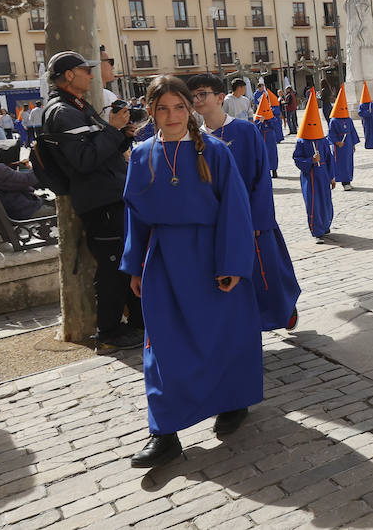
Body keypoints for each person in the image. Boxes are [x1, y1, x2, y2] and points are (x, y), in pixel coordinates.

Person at [121, 75, 262, 469]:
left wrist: (233, 262)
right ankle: (163, 431)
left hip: (212, 257)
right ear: (150, 112)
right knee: (161, 345)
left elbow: (236, 208)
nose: (171, 116)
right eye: (162, 108)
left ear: (190, 109)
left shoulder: (215, 152)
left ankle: (234, 402)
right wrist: (134, 265)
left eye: (179, 107)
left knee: (224, 335)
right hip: (163, 261)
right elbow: (134, 217)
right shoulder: (142, 154)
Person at [40, 50, 143, 350]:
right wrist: (111, 129)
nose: (91, 74)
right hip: (100, 202)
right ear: (69, 75)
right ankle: (109, 333)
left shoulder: (76, 106)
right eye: (85, 69)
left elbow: (98, 150)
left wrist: (121, 134)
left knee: (123, 263)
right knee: (112, 268)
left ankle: (135, 323)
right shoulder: (62, 112)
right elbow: (84, 160)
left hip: (109, 196)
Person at [187, 73, 301, 333]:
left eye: (202, 94)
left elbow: (261, 178)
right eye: (192, 96)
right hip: (218, 224)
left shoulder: (245, 130)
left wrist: (257, 220)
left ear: (219, 98)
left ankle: (283, 308)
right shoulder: (194, 140)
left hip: (252, 220)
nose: (197, 100)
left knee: (267, 271)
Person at [292, 92, 335, 239]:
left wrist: (332, 177)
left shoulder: (322, 141)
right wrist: (311, 160)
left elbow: (329, 158)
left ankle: (326, 225)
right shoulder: (301, 142)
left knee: (325, 200)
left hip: (323, 174)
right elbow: (297, 158)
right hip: (310, 176)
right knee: (313, 203)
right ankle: (316, 230)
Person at [327, 86, 359, 190]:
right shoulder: (334, 121)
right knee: (341, 162)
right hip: (340, 145)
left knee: (349, 162)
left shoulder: (348, 119)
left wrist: (353, 144)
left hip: (348, 143)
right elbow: (331, 133)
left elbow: (352, 131)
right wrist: (336, 142)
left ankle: (349, 180)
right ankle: (344, 183)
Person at [253, 92, 281, 178]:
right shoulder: (257, 119)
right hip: (262, 137)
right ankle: (264, 171)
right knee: (262, 154)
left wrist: (269, 120)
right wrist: (260, 122)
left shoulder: (272, 117)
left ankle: (274, 170)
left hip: (270, 137)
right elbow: (256, 129)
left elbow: (275, 125)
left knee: (272, 153)